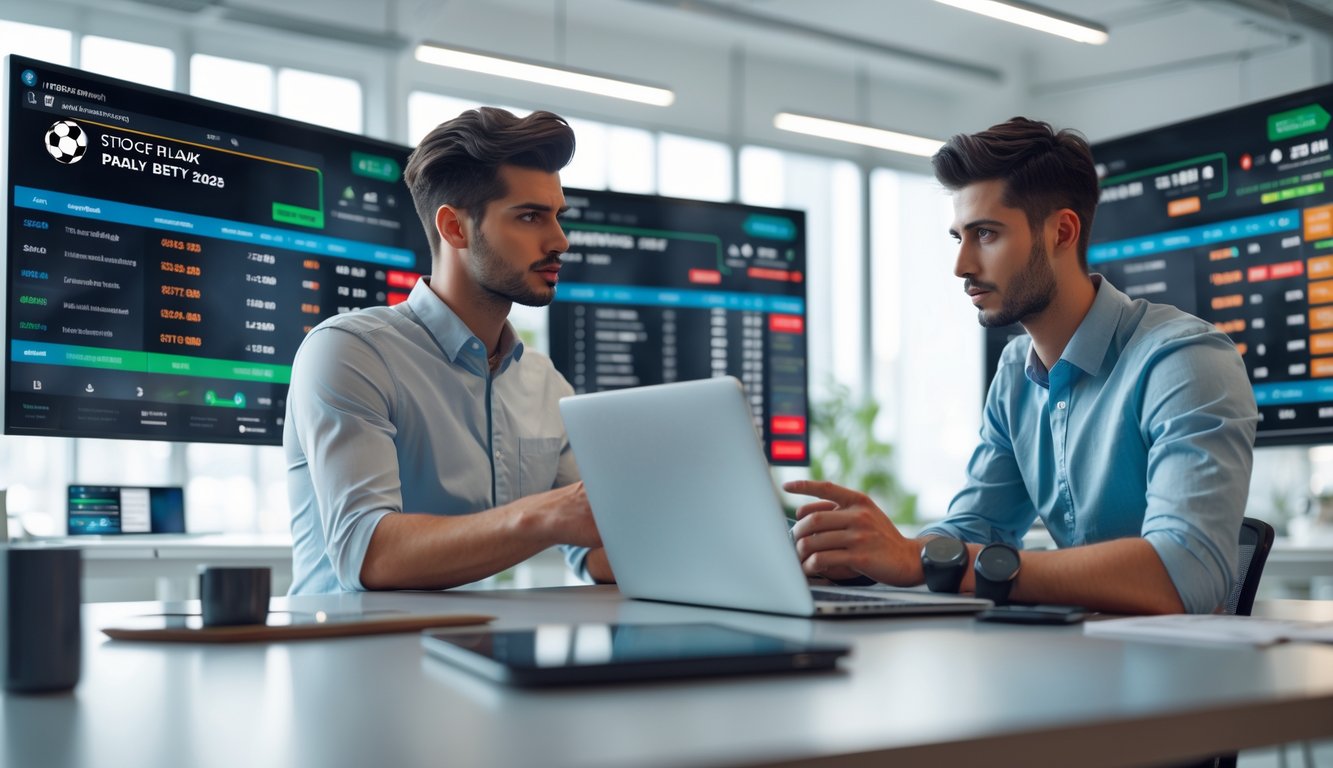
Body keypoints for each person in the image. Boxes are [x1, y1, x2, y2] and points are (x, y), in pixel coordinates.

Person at [785, 117, 1257, 614]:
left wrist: (930, 561)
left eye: (985, 234)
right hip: (1077, 658)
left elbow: (1182, 575)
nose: (962, 265)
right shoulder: (1016, 373)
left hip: (1183, 676)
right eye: (958, 237)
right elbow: (972, 530)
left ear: (1062, 232)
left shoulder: (1185, 360)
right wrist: (864, 555)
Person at [285, 107, 612, 595]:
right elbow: (369, 555)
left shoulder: (545, 385)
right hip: (349, 657)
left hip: (475, 652)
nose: (560, 240)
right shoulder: (350, 352)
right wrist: (546, 515)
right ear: (455, 228)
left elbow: (598, 550)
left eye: (558, 217)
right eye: (530, 216)